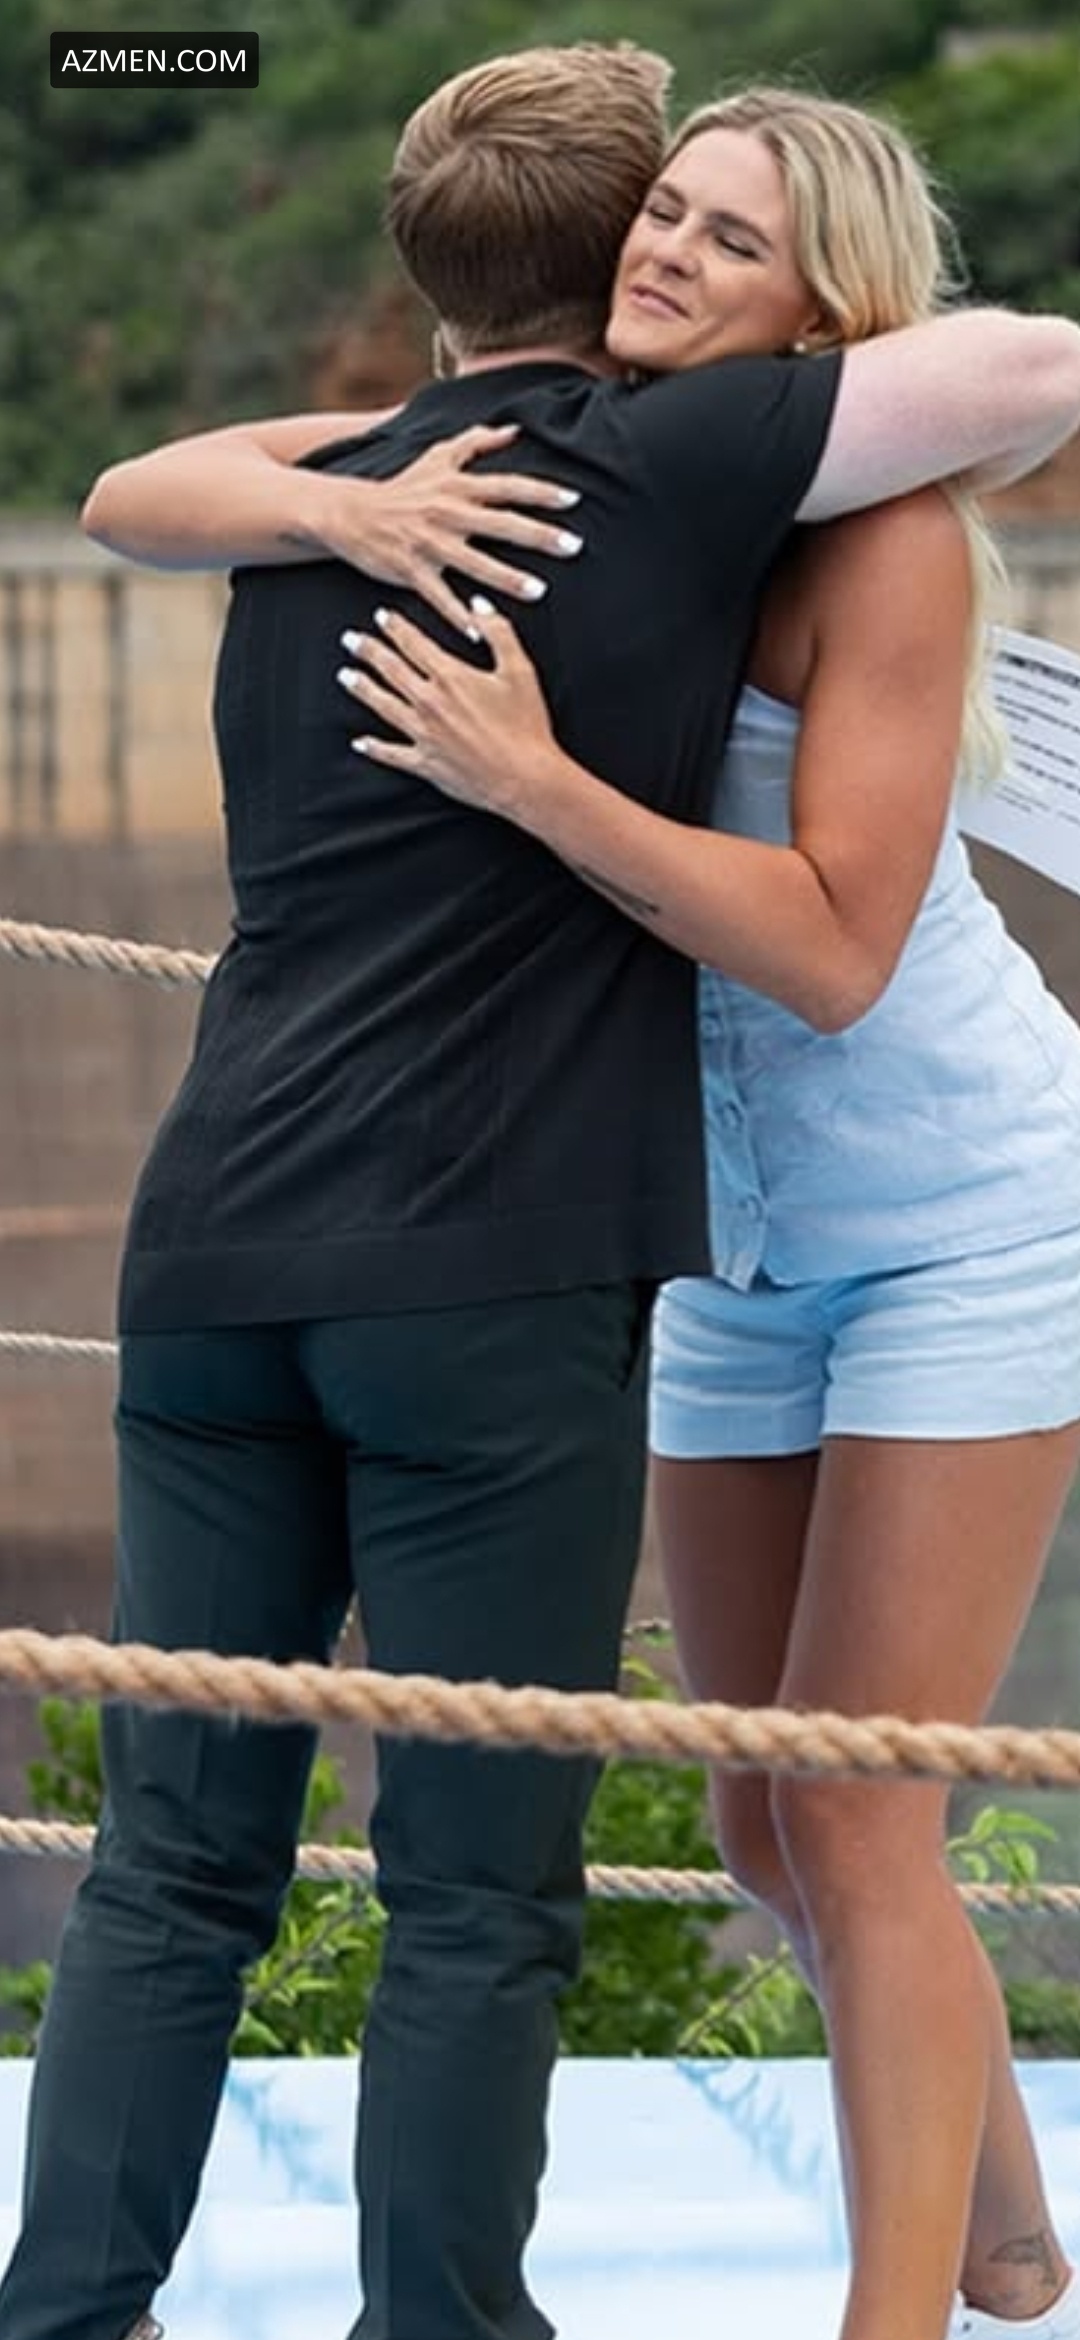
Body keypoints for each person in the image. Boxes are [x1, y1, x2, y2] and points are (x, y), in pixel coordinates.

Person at [10, 45, 1080, 2340]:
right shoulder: (564, 473)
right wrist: (340, 511)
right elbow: (146, 486)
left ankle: (905, 2318)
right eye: (662, 210)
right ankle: (1007, 2233)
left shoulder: (831, 514)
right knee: (757, 1813)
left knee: (853, 1808)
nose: (673, 248)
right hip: (700, 1230)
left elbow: (834, 947)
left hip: (950, 1209)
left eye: (733, 233)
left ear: (824, 316)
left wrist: (532, 778)